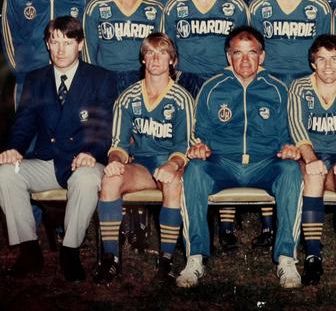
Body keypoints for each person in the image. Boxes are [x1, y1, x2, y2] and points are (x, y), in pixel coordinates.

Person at [176, 26, 303, 289]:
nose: (245, 60)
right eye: (238, 53)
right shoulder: (212, 88)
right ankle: (195, 257)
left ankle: (286, 258)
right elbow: (198, 133)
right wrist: (198, 147)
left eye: (252, 53)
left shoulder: (278, 89)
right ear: (228, 57)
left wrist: (290, 147)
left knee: (291, 170)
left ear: (262, 56)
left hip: (265, 162)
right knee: (195, 171)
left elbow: (287, 133)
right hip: (223, 162)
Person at [0, 16, 116, 282]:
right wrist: (14, 148)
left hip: (84, 159)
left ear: (80, 45)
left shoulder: (101, 78)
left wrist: (90, 152)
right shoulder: (36, 78)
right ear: (47, 45)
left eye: (68, 41)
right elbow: (24, 122)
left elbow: (104, 126)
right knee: (5, 172)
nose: (60, 49)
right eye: (55, 42)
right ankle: (29, 249)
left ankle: (70, 250)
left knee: (86, 180)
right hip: (49, 160)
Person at [93, 33, 194, 284]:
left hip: (169, 162)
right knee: (110, 181)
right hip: (140, 164)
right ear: (143, 59)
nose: (155, 58)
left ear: (172, 60)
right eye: (150, 52)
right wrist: (115, 160)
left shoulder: (181, 98)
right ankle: (110, 258)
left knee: (172, 183)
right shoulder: (128, 97)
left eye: (162, 53)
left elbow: (185, 145)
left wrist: (172, 165)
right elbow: (118, 144)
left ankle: (166, 261)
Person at [288, 34, 336, 286]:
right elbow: (298, 127)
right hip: (313, 152)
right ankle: (312, 255)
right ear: (313, 63)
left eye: (334, 59)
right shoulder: (300, 87)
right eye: (321, 59)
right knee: (312, 175)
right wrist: (310, 159)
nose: (328, 66)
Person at [164, 0, 249, 97]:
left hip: (223, 76)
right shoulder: (175, 5)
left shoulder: (235, 5)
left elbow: (245, 47)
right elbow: (168, 48)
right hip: (187, 77)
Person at [83, 0, 164, 93]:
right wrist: (92, 82)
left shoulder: (156, 9)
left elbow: (163, 51)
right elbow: (89, 51)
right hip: (105, 76)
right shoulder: (96, 7)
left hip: (143, 78)